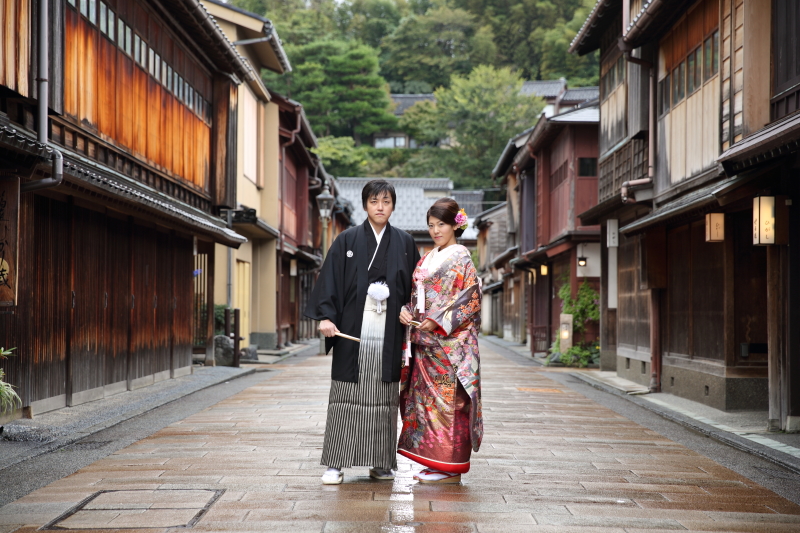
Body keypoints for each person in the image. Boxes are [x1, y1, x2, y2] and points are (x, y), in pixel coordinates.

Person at [304, 179, 420, 485]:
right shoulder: (347, 239)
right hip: (352, 327)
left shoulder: (405, 242)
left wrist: (410, 309)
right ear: (365, 204)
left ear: (393, 206)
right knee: (345, 395)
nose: (380, 207)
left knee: (384, 398)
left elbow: (417, 287)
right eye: (374, 201)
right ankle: (336, 463)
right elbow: (330, 279)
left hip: (390, 331)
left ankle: (380, 463)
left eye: (386, 202)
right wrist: (326, 316)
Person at [398, 197, 483, 484]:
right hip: (424, 345)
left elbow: (471, 299)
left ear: (455, 225)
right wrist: (406, 310)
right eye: (431, 225)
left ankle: (451, 467)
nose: (436, 231)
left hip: (450, 347)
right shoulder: (426, 258)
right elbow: (416, 297)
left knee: (449, 404)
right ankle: (435, 461)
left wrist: (437, 320)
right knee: (426, 405)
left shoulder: (461, 257)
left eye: (441, 225)